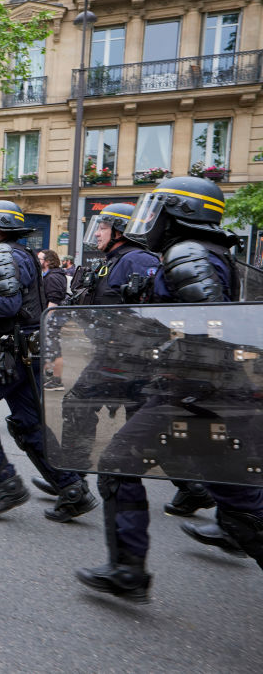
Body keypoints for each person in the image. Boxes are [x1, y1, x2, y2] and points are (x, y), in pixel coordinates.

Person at [76, 176, 263, 601]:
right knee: (240, 512)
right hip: (209, 395)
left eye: (157, 208)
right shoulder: (198, 253)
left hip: (195, 394)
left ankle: (128, 571)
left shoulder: (186, 253)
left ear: (181, 213)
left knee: (118, 463)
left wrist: (149, 332)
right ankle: (128, 569)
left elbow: (208, 331)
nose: (149, 219)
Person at [0, 200, 97, 522]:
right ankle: (72, 489)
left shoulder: (0, 253)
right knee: (29, 423)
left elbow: (7, 304)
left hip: (7, 351)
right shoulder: (19, 252)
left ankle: (7, 484)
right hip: (26, 350)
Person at [37, 249, 67, 391]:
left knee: (55, 350)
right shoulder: (52, 275)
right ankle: (48, 375)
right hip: (54, 318)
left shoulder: (53, 277)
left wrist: (45, 320)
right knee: (48, 348)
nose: (38, 262)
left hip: (53, 319)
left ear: (47, 262)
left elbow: (53, 301)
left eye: (40, 259)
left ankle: (57, 381)